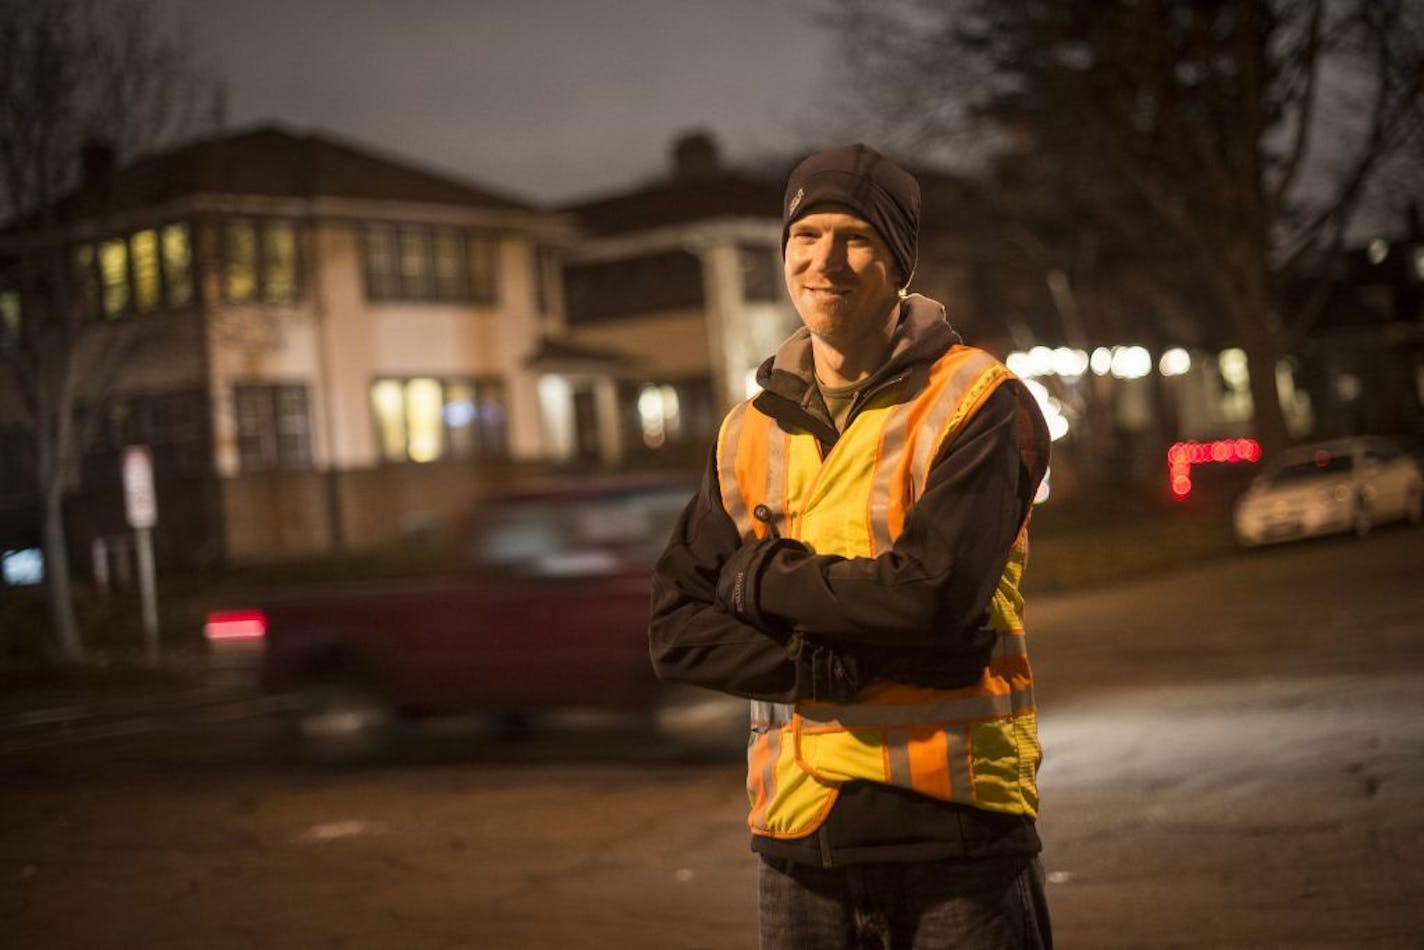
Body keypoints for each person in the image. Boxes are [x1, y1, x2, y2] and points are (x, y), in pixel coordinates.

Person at [648, 143, 1053, 949]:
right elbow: (675, 631)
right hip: (799, 841)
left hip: (956, 834)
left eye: (855, 237)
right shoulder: (748, 429)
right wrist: (822, 668)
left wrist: (757, 576)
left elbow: (930, 598)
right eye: (806, 236)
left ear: (899, 261)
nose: (824, 259)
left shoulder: (980, 401)